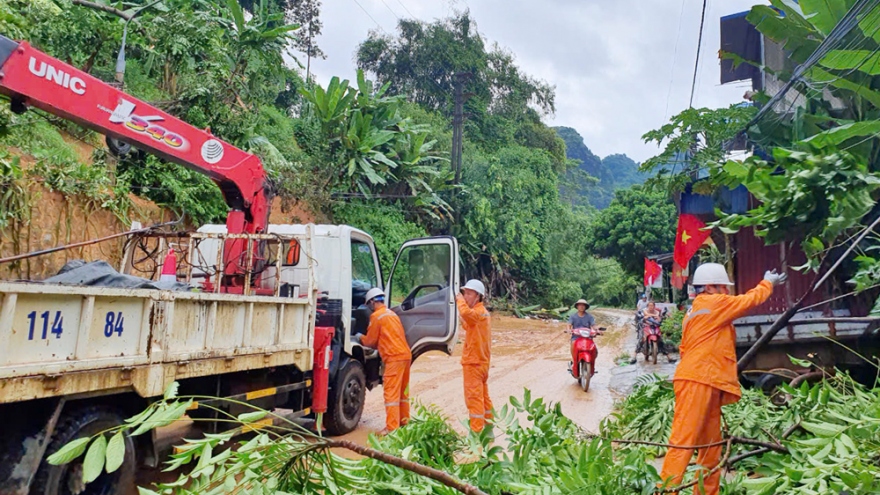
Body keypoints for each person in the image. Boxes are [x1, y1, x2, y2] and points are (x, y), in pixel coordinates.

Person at [659, 263, 786, 495]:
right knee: (683, 442)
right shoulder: (712, 303)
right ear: (709, 287)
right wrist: (768, 283)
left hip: (702, 379)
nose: (726, 292)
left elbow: (685, 347)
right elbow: (747, 301)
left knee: (711, 446)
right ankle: (664, 492)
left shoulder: (694, 311)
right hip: (699, 379)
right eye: (723, 287)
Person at [357, 288, 412, 436]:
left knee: (391, 393)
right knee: (403, 392)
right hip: (406, 355)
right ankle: (404, 422)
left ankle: (392, 427)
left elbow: (370, 341)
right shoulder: (392, 314)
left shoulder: (377, 317)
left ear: (372, 303)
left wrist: (359, 337)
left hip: (394, 357)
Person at [456, 279, 493, 433]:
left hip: (474, 363)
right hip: (482, 363)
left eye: (468, 294)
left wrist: (457, 299)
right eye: (464, 293)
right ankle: (489, 429)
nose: (465, 297)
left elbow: (466, 313)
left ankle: (476, 435)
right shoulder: (482, 313)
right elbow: (467, 323)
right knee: (484, 398)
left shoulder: (477, 312)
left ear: (477, 296)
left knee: (474, 400)